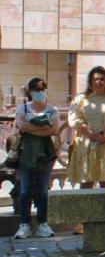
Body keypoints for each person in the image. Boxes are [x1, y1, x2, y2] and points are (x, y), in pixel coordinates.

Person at [13, 78, 60, 240]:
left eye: (42, 89)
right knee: (25, 189)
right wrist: (42, 127)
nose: (39, 93)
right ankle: (24, 224)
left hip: (45, 153)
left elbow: (54, 130)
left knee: (42, 189)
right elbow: (21, 125)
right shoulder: (23, 108)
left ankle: (42, 223)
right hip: (26, 152)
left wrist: (31, 129)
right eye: (35, 90)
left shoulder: (52, 109)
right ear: (30, 92)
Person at [68, 65, 105, 189]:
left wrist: (102, 134)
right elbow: (74, 119)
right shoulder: (81, 99)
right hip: (86, 141)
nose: (98, 82)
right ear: (90, 81)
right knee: (86, 181)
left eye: (102, 79)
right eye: (95, 79)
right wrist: (91, 134)